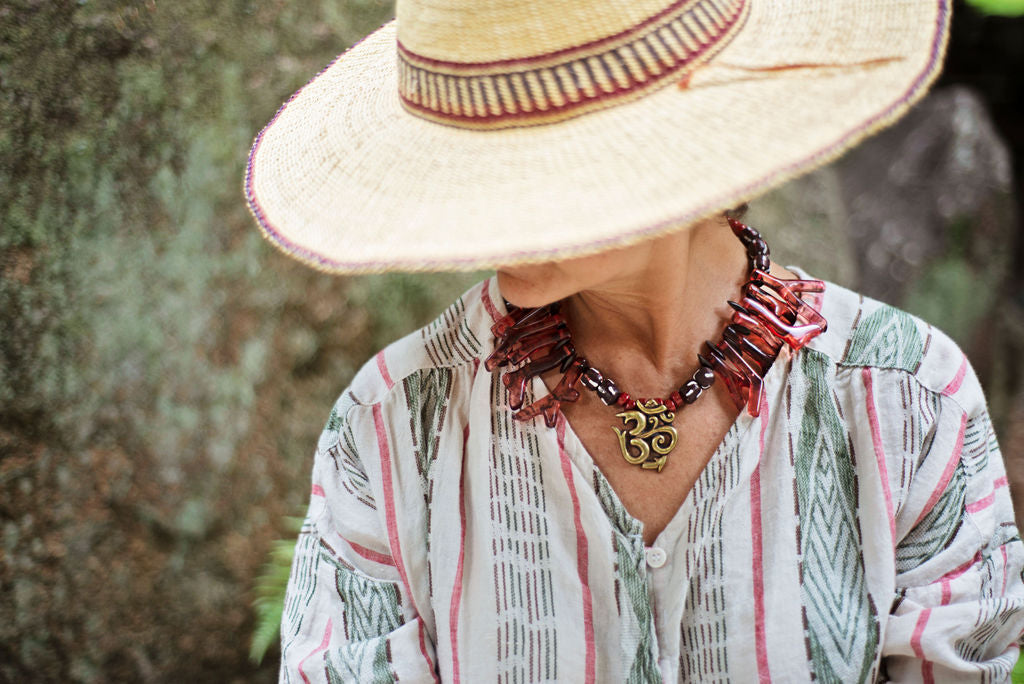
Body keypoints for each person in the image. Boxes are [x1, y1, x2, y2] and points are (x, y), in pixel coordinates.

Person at [246, 0, 1024, 681]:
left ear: (681, 138)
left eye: (533, 151)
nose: (480, 204)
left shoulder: (907, 402)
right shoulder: (393, 428)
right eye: (470, 157)